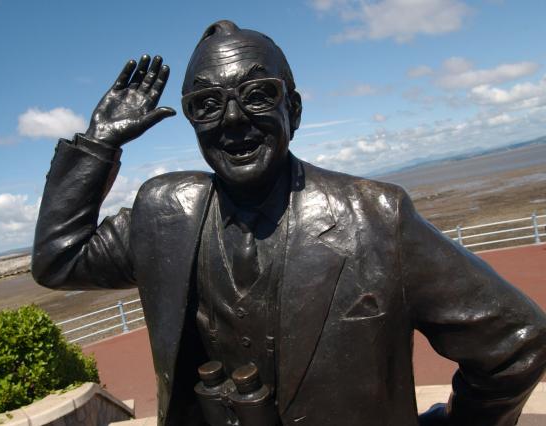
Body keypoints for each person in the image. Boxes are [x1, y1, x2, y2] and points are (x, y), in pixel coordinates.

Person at [32, 20, 546, 426]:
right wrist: (99, 143)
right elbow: (59, 260)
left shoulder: (375, 218)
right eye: (206, 105)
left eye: (257, 95)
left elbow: (518, 340)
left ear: (293, 111)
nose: (232, 120)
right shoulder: (164, 212)